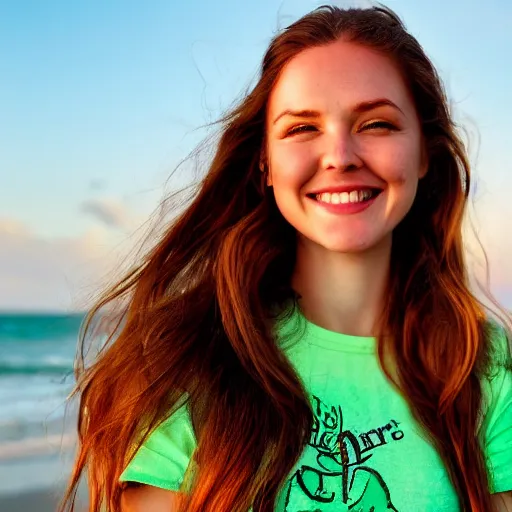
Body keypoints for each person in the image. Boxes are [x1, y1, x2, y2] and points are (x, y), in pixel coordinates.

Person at [60, 5, 512, 512]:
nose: (341, 155)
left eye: (377, 123)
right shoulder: (189, 362)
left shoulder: (482, 368)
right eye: (302, 128)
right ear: (265, 163)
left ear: (425, 153)